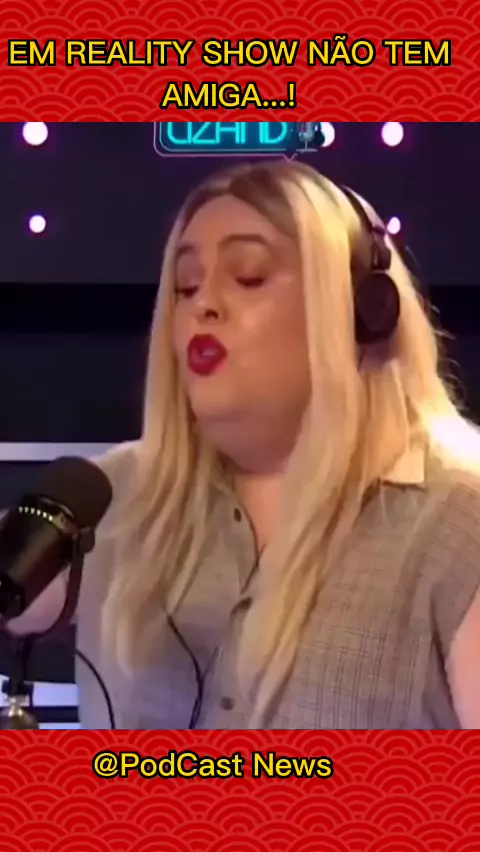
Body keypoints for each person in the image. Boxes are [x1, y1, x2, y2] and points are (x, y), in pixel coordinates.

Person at [5, 159, 480, 729]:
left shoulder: (460, 516)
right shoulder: (110, 497)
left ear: (361, 311)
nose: (203, 304)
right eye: (185, 286)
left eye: (249, 276)